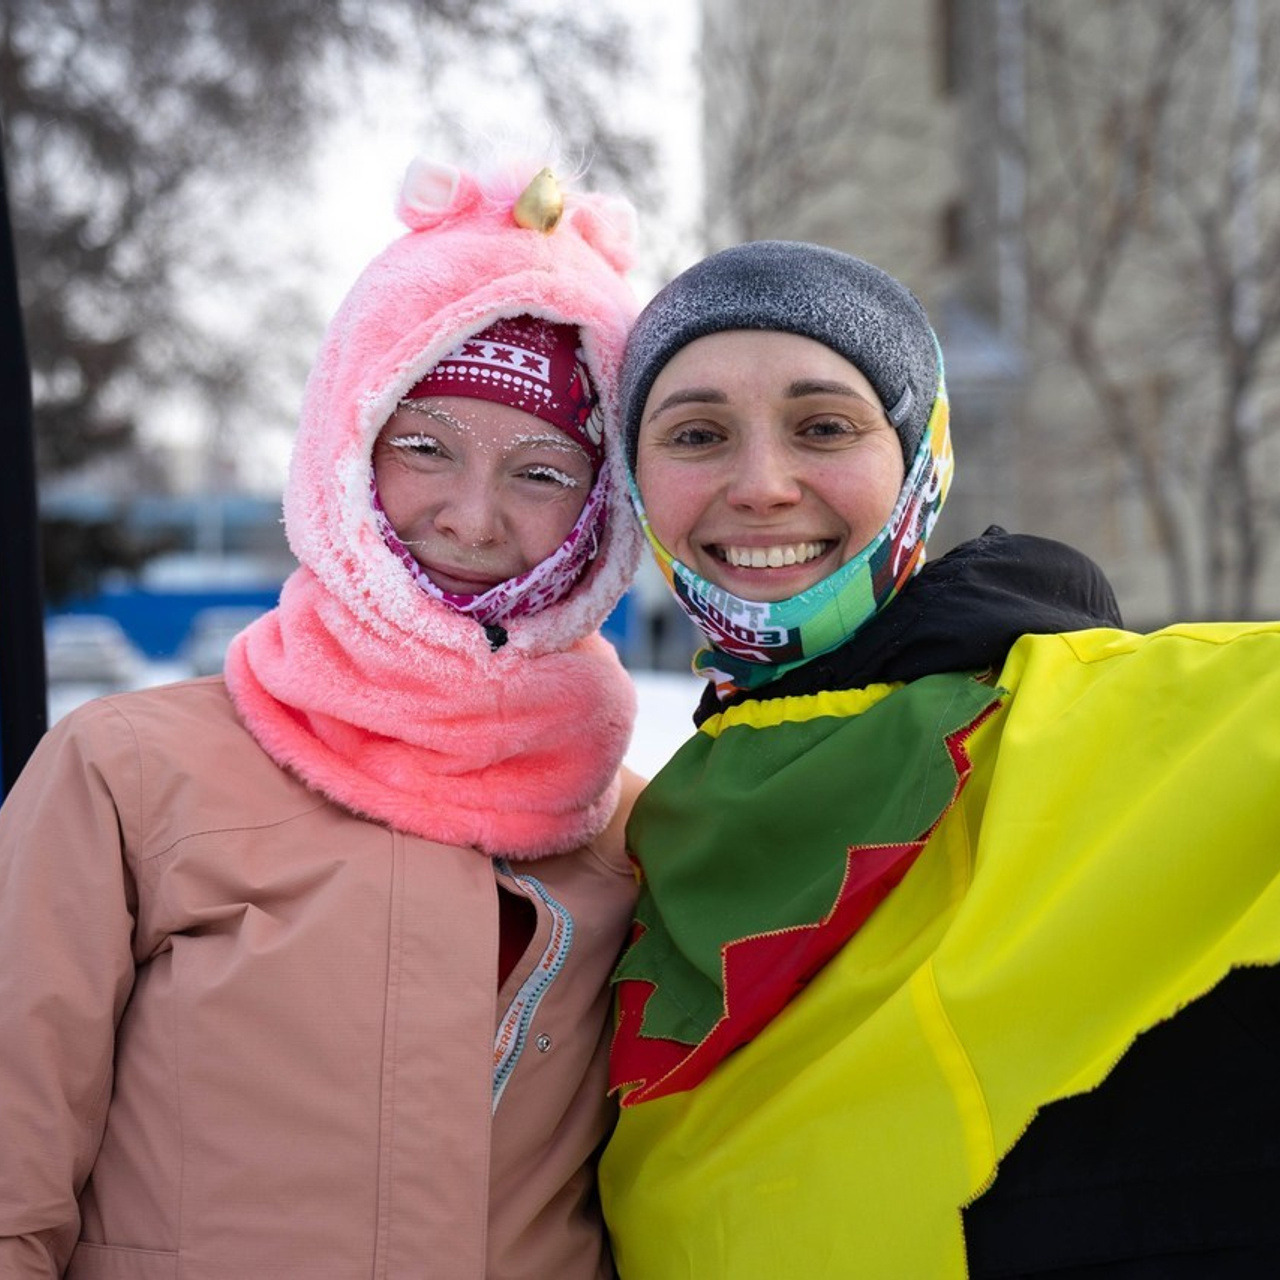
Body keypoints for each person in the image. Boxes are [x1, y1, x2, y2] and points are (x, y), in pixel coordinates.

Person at [0, 156, 645, 1278]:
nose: (472, 515)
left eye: (542, 472)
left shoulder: (634, 833)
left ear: (602, 515)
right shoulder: (128, 775)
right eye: (425, 445)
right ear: (345, 445)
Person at [597, 240, 1280, 1276]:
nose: (761, 484)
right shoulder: (628, 848)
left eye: (822, 425)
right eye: (696, 434)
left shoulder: (1096, 718)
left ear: (920, 457)